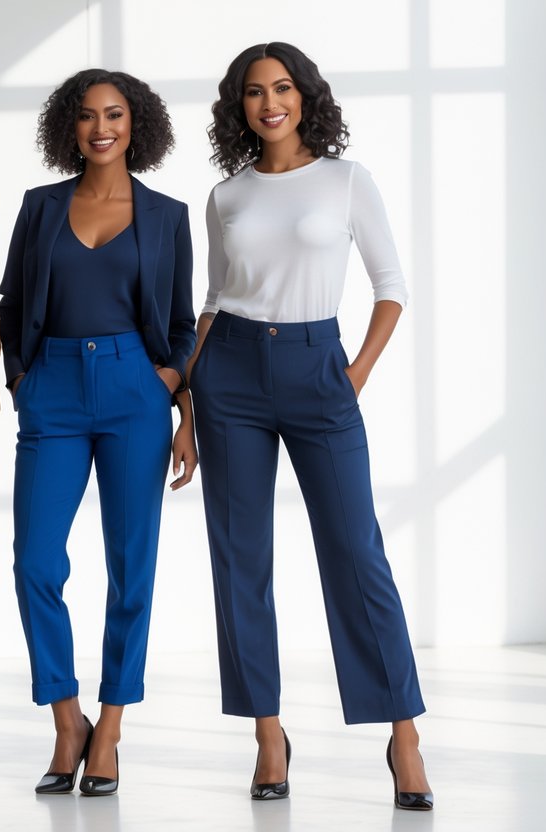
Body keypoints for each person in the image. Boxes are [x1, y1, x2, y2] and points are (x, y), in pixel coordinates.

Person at [191, 41, 432, 810]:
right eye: (254, 92)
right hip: (228, 372)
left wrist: (353, 373)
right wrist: (187, 404)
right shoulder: (226, 195)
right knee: (239, 557)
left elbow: (391, 286)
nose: (269, 103)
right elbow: (212, 299)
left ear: (304, 97)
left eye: (282, 88)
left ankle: (402, 735)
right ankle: (267, 735)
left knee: (355, 552)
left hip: (317, 367)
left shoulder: (344, 180)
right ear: (238, 106)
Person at [0, 69, 196, 797]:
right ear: (69, 127)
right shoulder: (40, 206)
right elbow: (12, 300)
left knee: (130, 565)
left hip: (132, 389)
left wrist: (168, 386)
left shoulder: (167, 215)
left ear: (135, 124)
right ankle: (66, 719)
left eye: (113, 114)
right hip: (50, 387)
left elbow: (181, 321)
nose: (100, 128)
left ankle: (109, 727)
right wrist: (21, 378)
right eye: (86, 116)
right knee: (34, 562)